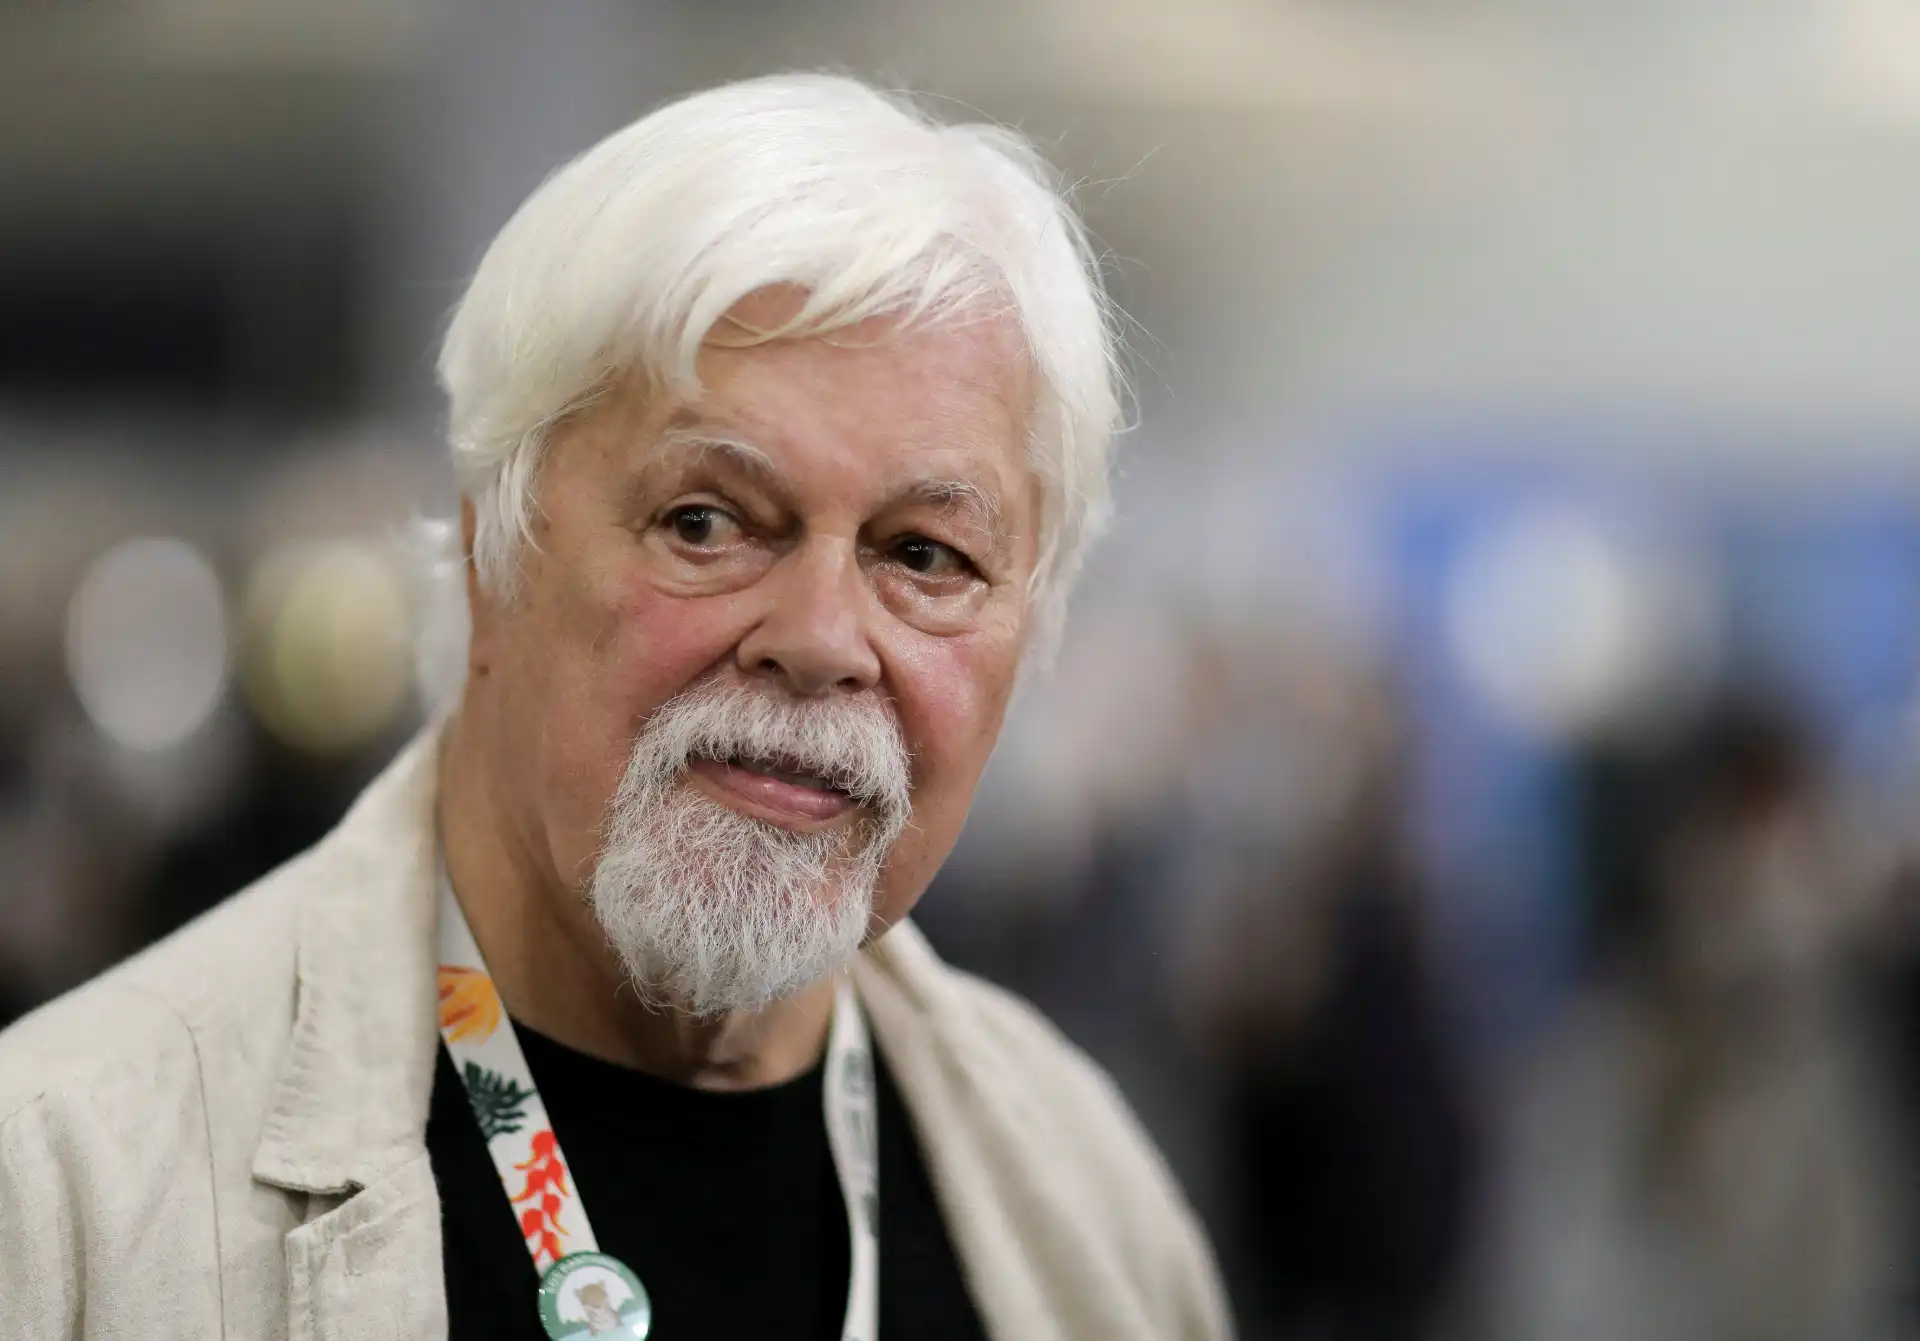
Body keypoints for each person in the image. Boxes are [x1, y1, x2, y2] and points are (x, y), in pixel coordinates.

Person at [0, 75, 1231, 1340]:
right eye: (706, 522)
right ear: (492, 561)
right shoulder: (64, 1201)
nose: (819, 642)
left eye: (924, 557)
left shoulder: (1092, 1211)